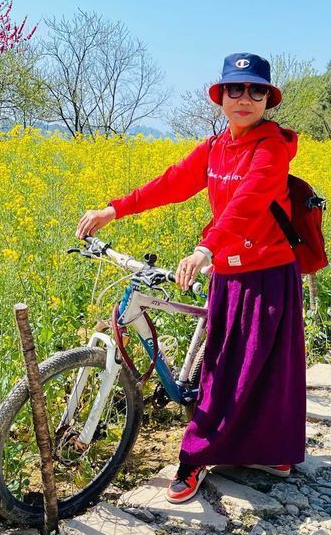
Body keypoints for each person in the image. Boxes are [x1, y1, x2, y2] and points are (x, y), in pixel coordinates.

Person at [76, 52, 306, 503]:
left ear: (267, 99)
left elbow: (250, 201)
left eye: (256, 90)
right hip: (229, 271)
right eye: (235, 89)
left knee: (248, 371)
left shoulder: (272, 146)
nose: (245, 99)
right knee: (235, 367)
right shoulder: (216, 148)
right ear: (220, 96)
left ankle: (199, 458)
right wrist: (113, 209)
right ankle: (262, 448)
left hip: (267, 273)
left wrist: (206, 248)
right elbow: (172, 183)